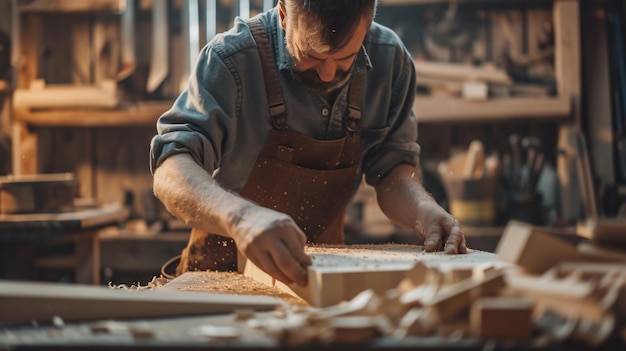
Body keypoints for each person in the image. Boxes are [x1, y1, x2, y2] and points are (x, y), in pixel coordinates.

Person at [150, 0, 467, 287]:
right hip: (219, 280)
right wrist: (241, 218)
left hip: (317, 281)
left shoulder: (390, 60)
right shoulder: (231, 61)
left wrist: (423, 211)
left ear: (369, 18)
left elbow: (392, 172)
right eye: (312, 56)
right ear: (285, 13)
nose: (329, 75)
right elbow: (170, 169)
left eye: (346, 57)